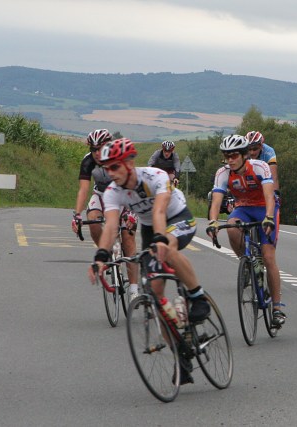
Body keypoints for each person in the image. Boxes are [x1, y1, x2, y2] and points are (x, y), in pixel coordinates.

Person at [88, 138, 210, 384]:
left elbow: (159, 211)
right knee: (154, 294)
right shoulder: (113, 191)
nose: (111, 173)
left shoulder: (155, 176)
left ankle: (198, 297)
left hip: (177, 217)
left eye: (115, 166)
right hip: (148, 227)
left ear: (130, 163)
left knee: (168, 248)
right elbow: (110, 226)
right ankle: (180, 353)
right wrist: (100, 257)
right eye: (107, 168)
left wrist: (160, 240)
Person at [206, 135, 286, 327]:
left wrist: (269, 217)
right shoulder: (223, 173)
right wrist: (213, 222)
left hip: (264, 207)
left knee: (268, 257)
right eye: (227, 156)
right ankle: (248, 262)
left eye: (234, 155)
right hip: (243, 208)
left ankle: (277, 308)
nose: (230, 160)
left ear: (244, 155)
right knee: (232, 227)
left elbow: (269, 195)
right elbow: (216, 201)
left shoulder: (259, 167)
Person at [72, 129, 139, 300]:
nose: (96, 153)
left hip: (124, 195)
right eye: (93, 149)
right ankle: (107, 253)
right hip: (101, 195)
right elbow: (83, 189)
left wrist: (131, 212)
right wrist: (77, 215)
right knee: (92, 220)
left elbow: (133, 184)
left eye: (99, 148)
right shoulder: (88, 161)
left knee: (128, 237)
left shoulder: (117, 156)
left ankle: (134, 289)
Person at [245, 131, 281, 205]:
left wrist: (276, 194)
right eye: (249, 149)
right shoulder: (243, 152)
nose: (252, 152)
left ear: (261, 146)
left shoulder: (269, 152)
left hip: (264, 175)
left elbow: (274, 176)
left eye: (255, 149)